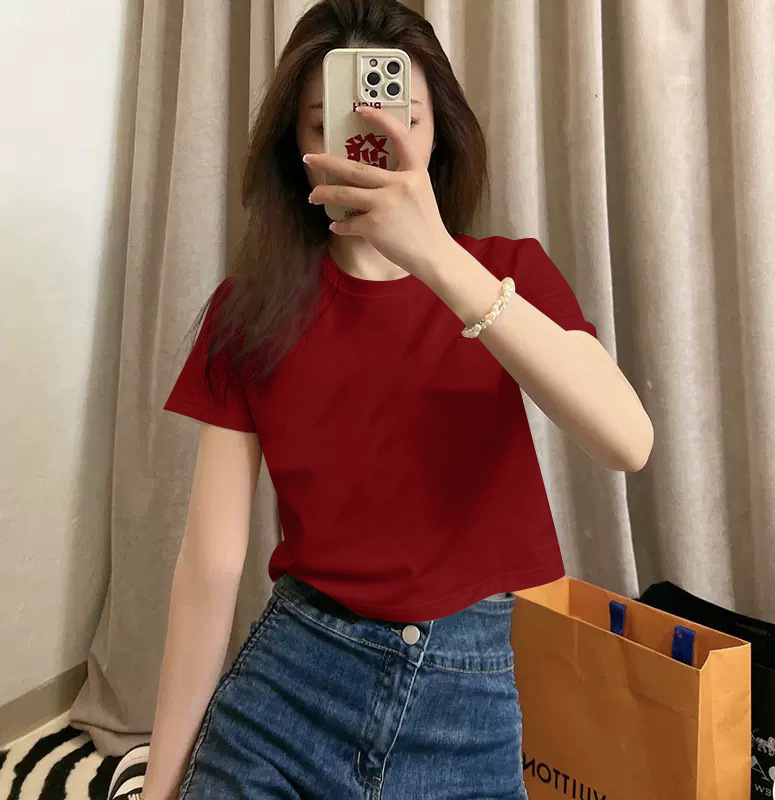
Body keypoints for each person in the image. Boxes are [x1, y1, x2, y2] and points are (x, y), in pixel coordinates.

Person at [111, 0, 653, 798]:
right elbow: (210, 565)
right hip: (293, 676)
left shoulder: (508, 274)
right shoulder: (248, 311)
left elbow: (627, 441)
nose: (366, 144)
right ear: (295, 145)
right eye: (325, 122)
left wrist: (436, 256)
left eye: (401, 119)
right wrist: (163, 785)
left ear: (437, 134)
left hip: (464, 693)